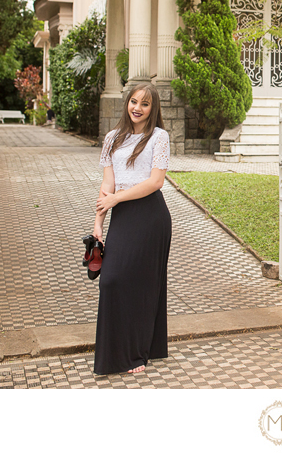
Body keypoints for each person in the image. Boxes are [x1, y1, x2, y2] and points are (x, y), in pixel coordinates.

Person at [92, 82, 172, 375]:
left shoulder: (159, 138)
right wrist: (98, 225)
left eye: (145, 104)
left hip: (151, 216)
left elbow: (155, 182)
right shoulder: (112, 138)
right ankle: (134, 348)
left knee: (141, 284)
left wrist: (116, 199)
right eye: (134, 101)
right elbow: (107, 185)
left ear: (153, 109)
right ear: (127, 103)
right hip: (122, 215)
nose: (137, 108)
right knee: (110, 281)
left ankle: (136, 354)